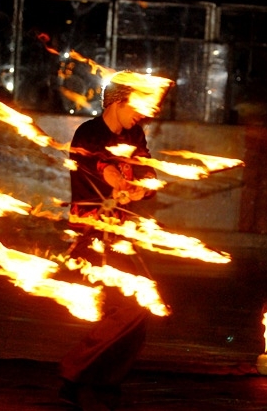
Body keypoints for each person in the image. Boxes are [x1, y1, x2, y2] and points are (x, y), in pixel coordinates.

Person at [59, 71, 172, 411]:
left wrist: (141, 186)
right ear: (119, 101)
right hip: (92, 235)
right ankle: (76, 374)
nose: (143, 114)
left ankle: (99, 383)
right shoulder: (88, 133)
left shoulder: (135, 134)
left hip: (120, 235)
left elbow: (146, 169)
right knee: (132, 306)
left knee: (137, 313)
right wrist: (115, 178)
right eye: (139, 106)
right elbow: (98, 163)